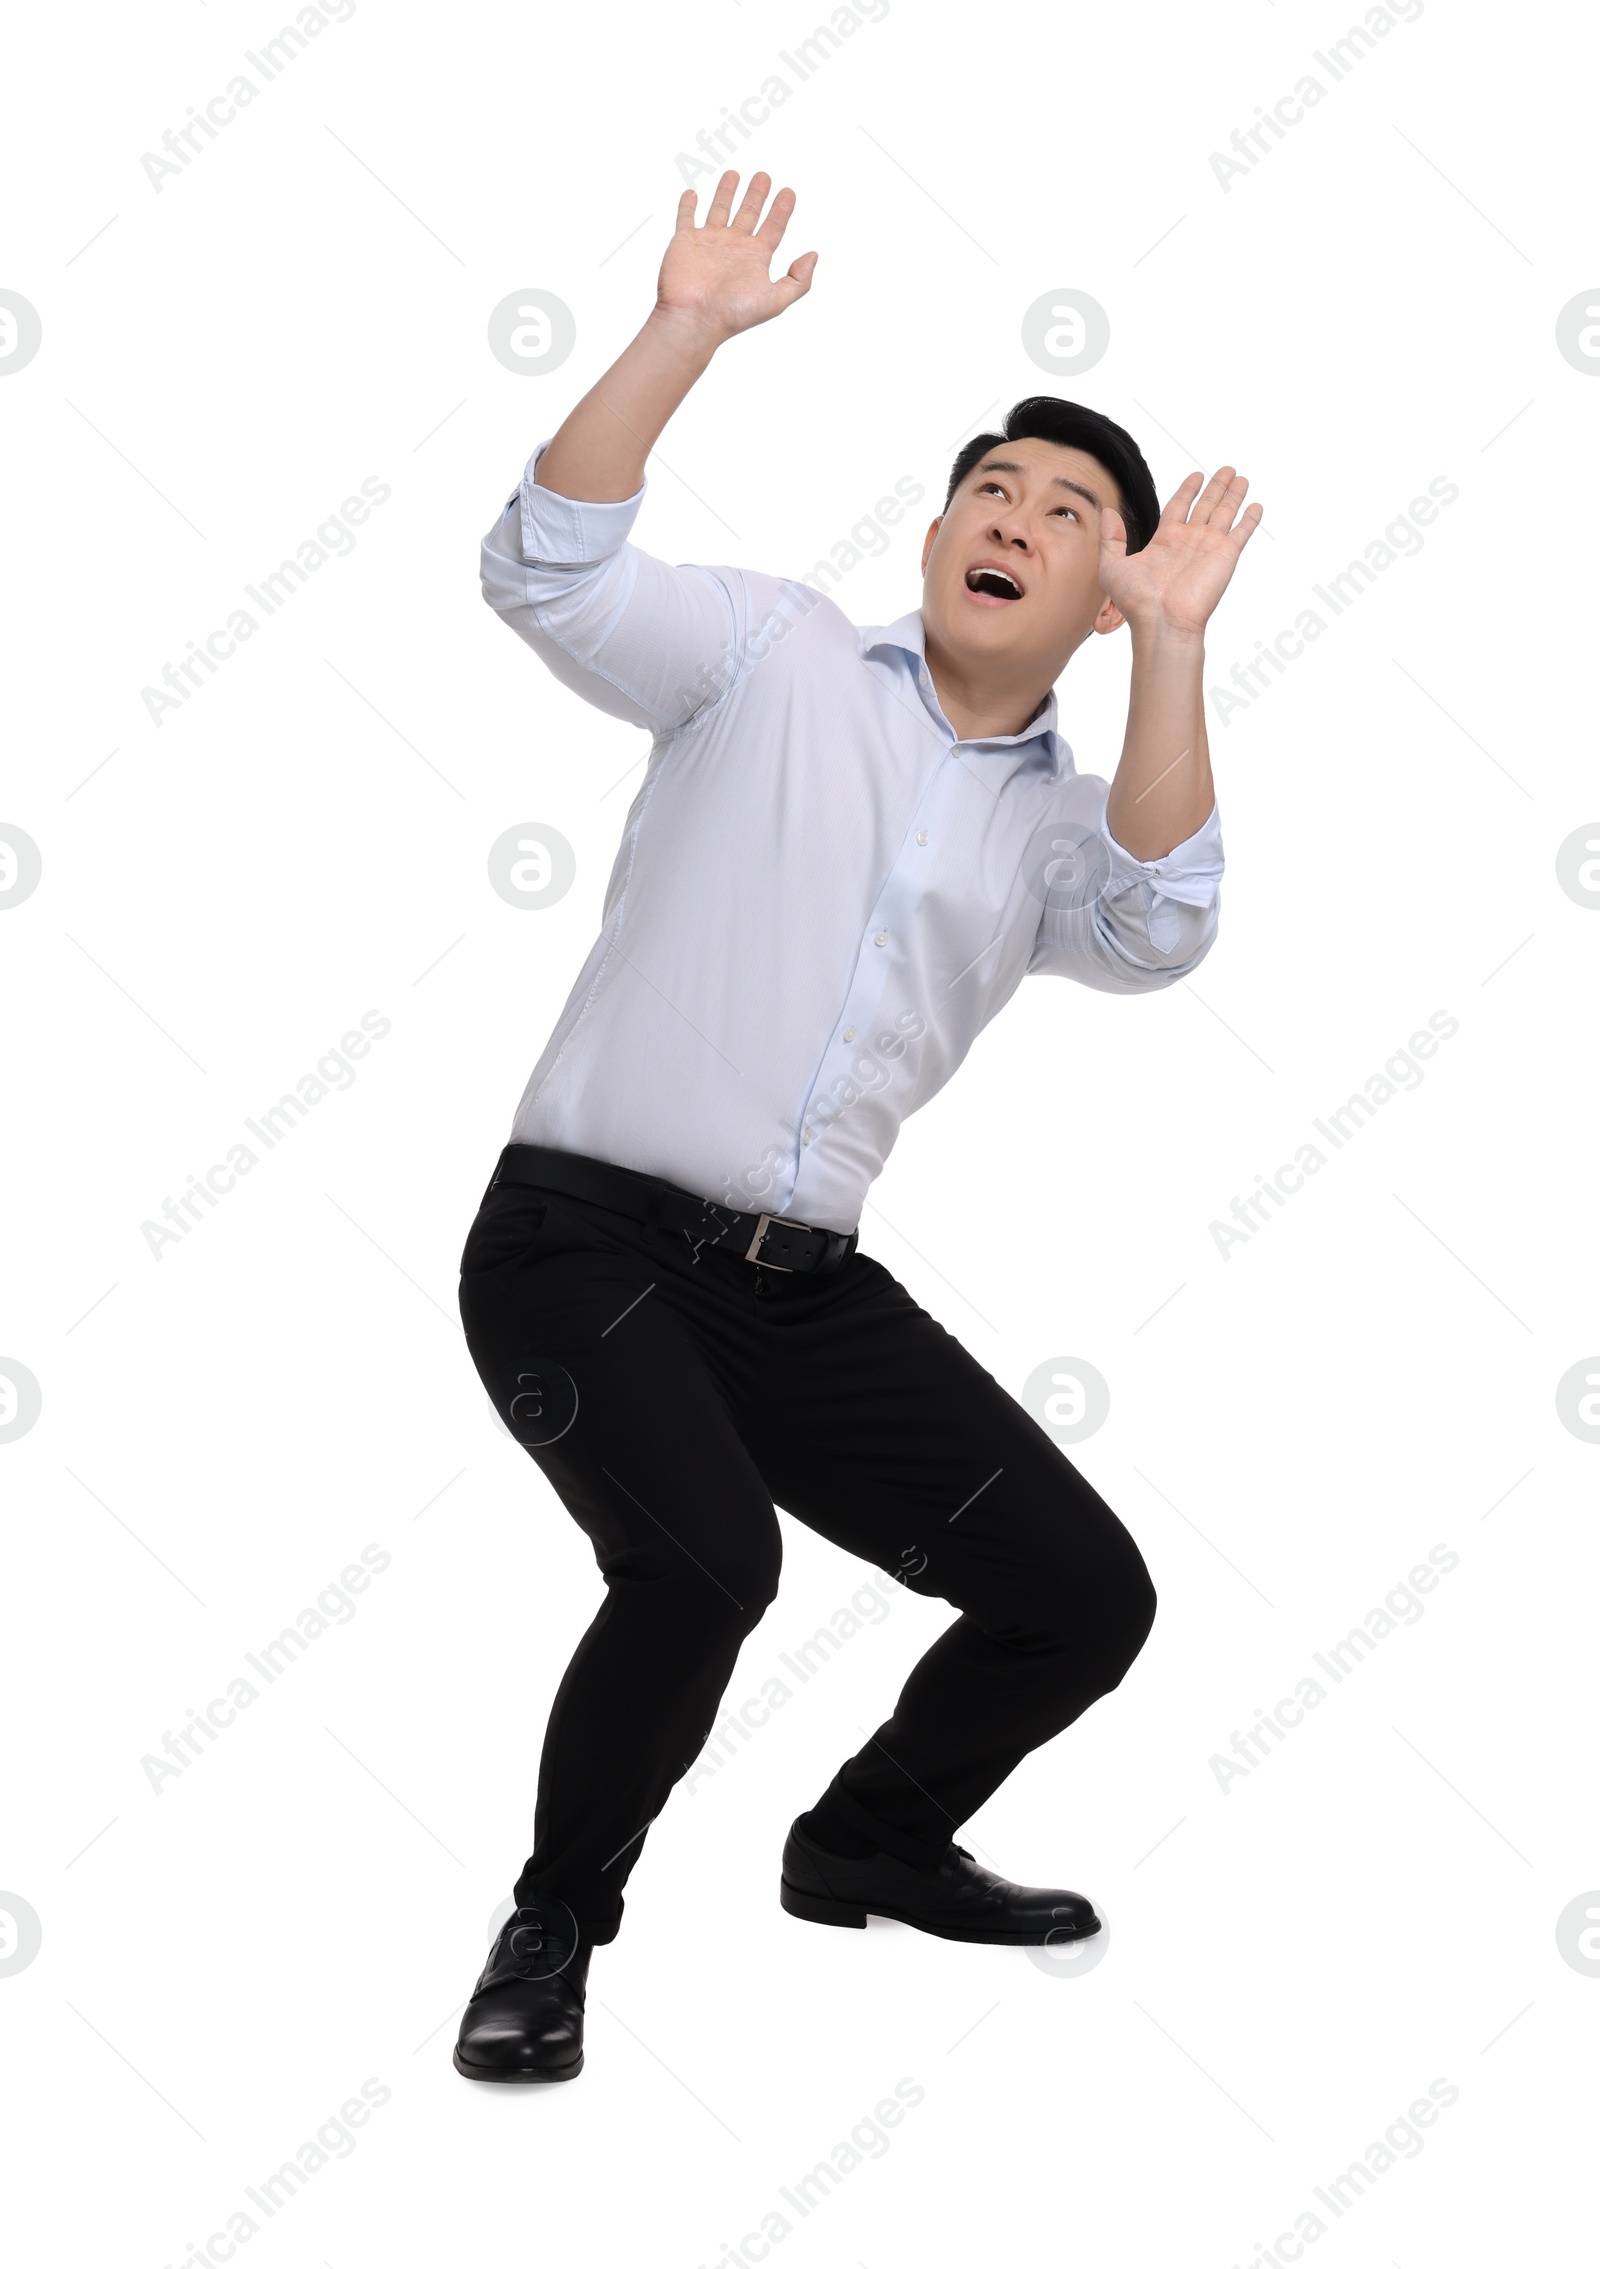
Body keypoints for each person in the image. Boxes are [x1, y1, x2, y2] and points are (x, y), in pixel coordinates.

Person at [452, 171, 1262, 2083]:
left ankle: (870, 1838)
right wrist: (686, 333)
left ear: (1100, 589)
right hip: (580, 1242)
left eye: (1072, 518)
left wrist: (1176, 651)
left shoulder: (1069, 826)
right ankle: (554, 1921)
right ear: (939, 531)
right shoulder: (769, 656)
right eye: (996, 490)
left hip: (801, 1297)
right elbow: (546, 567)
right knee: (709, 1563)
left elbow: (1164, 923)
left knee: (1082, 1593)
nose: (1019, 520)